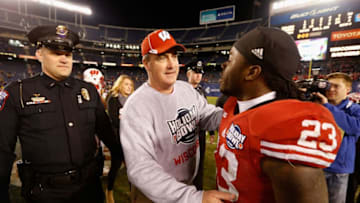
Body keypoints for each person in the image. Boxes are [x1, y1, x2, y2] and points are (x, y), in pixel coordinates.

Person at [215, 26, 342, 203]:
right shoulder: (234, 105)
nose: (224, 64)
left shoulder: (283, 126)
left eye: (231, 59)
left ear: (252, 72)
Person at [0, 25, 123, 203]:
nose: (64, 59)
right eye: (56, 52)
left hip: (90, 191)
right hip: (46, 194)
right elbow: (2, 153)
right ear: (39, 54)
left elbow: (111, 140)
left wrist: (110, 185)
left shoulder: (87, 91)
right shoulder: (17, 93)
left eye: (68, 53)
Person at [120, 29, 235, 203]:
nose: (171, 65)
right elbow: (141, 169)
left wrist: (237, 114)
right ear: (146, 64)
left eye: (174, 56)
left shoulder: (185, 89)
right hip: (154, 195)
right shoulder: (136, 106)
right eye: (161, 57)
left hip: (186, 187)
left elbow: (207, 115)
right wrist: (192, 198)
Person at [314, 72, 360, 203]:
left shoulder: (354, 109)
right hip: (316, 164)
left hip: (338, 167)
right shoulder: (317, 105)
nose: (331, 89)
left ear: (348, 89)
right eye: (328, 86)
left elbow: (356, 127)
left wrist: (327, 107)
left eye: (336, 86)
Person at [186, 61, 215, 190]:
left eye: (200, 73)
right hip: (186, 136)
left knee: (199, 165)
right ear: (188, 74)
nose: (198, 76)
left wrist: (212, 131)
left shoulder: (201, 91)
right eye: (195, 72)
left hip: (201, 134)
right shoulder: (180, 91)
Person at [105, 74, 134, 203]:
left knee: (133, 168)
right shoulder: (113, 99)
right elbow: (114, 120)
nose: (129, 87)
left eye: (130, 85)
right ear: (120, 85)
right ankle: (109, 191)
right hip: (118, 139)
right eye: (126, 84)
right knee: (116, 166)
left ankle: (133, 193)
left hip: (132, 139)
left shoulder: (133, 100)